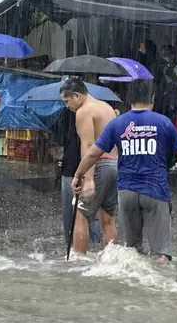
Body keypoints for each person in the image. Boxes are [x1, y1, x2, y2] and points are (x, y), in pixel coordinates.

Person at [71, 79, 177, 263]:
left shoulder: (117, 124)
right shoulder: (162, 122)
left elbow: (92, 154)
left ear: (129, 99)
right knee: (161, 254)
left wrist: (78, 175)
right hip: (155, 191)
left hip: (127, 193)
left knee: (131, 253)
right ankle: (159, 288)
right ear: (152, 98)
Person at [59, 77, 119, 255]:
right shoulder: (106, 107)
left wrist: (88, 178)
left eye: (67, 101)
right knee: (108, 219)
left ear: (77, 95)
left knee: (81, 216)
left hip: (99, 166)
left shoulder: (83, 112)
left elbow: (88, 145)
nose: (66, 106)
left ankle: (78, 262)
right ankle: (112, 261)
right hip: (115, 165)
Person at [51, 107, 101, 245]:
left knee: (69, 211)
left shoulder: (65, 112)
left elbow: (57, 135)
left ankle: (72, 244)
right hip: (91, 167)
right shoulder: (96, 111)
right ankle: (94, 244)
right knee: (90, 210)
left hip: (70, 166)